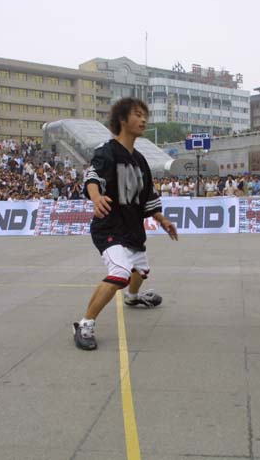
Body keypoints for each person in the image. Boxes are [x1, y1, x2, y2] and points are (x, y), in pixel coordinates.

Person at [74, 98, 178, 351]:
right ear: (122, 119)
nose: (143, 120)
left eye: (144, 115)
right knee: (120, 272)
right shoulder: (107, 151)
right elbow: (92, 176)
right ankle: (84, 324)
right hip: (108, 227)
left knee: (141, 270)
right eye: (137, 114)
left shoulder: (140, 160)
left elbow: (148, 196)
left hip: (132, 228)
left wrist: (162, 220)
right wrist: (96, 197)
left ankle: (132, 298)